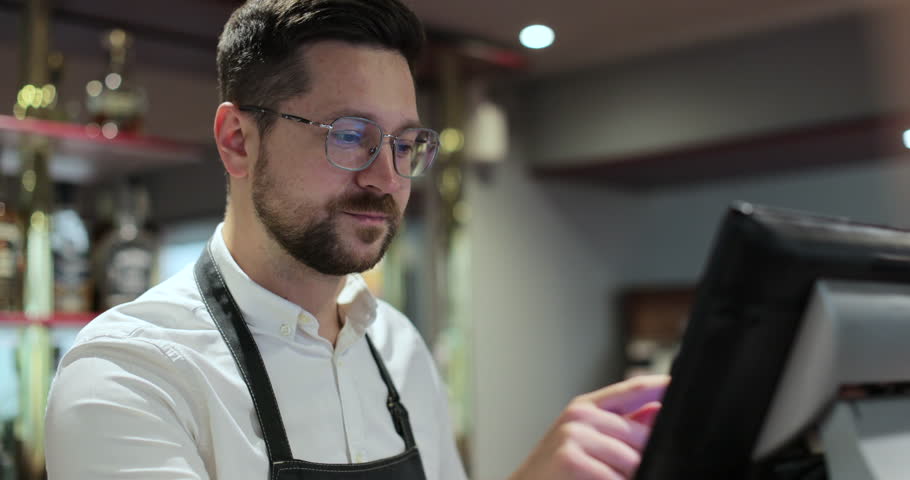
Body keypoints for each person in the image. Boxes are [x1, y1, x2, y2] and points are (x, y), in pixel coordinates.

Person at [44, 0, 669, 479]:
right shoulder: (131, 372)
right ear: (238, 139)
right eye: (348, 134)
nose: (385, 176)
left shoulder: (396, 347)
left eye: (405, 143)